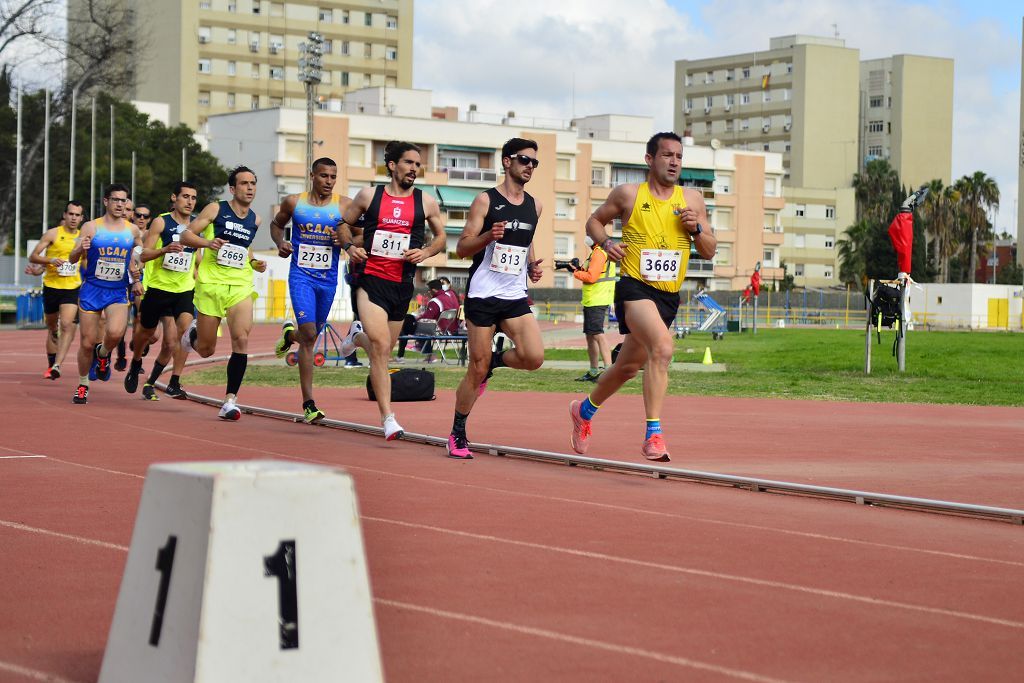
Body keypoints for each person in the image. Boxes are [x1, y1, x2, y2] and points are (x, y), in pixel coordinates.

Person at [569, 132, 717, 462]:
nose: (674, 161)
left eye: (679, 156)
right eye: (667, 155)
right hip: (634, 288)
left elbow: (709, 251)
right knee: (662, 348)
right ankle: (654, 434)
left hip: (668, 296)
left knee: (626, 368)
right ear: (650, 159)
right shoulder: (628, 194)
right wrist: (606, 243)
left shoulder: (692, 200)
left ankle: (583, 411)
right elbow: (594, 221)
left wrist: (696, 230)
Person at [334, 141, 446, 440]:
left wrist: (425, 252)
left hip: (402, 285)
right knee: (382, 347)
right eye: (409, 162)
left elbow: (441, 239)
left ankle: (355, 337)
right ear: (392, 165)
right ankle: (388, 417)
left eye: (417, 164)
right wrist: (348, 247)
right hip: (371, 280)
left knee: (380, 351)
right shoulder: (370, 196)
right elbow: (343, 225)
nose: (414, 169)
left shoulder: (426, 202)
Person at [445, 138, 546, 459]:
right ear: (506, 162)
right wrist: (489, 235)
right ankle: (457, 432)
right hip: (483, 294)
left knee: (534, 357)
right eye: (524, 160)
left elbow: (526, 241)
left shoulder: (536, 205)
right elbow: (461, 248)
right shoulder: (485, 201)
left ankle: (495, 364)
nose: (529, 166)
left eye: (534, 162)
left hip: (514, 294)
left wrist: (531, 264)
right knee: (475, 368)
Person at [179, 166, 267, 420]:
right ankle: (192, 336)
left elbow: (244, 249)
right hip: (211, 285)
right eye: (244, 183)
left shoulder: (255, 219)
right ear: (232, 188)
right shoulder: (216, 209)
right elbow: (186, 235)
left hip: (240, 286)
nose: (249, 188)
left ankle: (230, 400)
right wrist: (208, 243)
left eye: (253, 183)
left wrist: (254, 263)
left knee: (241, 339)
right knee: (206, 349)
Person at [271, 158, 350, 423]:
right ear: (312, 176)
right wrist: (280, 242)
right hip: (301, 275)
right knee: (311, 333)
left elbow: (362, 234)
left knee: (308, 338)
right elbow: (276, 224)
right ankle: (309, 403)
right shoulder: (294, 202)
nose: (328, 181)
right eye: (324, 176)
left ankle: (287, 335)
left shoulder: (344, 206)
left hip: (327, 280)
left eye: (333, 177)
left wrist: (347, 239)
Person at [68, 184, 144, 404]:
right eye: (116, 200)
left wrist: (136, 267)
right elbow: (73, 259)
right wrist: (80, 248)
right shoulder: (91, 227)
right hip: (92, 289)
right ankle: (83, 384)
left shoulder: (131, 230)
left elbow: (139, 251)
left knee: (115, 333)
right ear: (106, 201)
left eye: (124, 200)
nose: (120, 204)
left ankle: (103, 355)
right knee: (86, 343)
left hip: (117, 291)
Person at [123, 183, 200, 400]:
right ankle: (136, 361)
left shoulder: (196, 225)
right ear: (174, 197)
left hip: (184, 290)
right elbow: (143, 254)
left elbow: (198, 258)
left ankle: (160, 382)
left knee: (180, 337)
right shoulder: (161, 221)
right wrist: (165, 250)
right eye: (185, 196)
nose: (190, 201)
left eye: (193, 198)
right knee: (146, 334)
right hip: (157, 289)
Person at [29, 200, 85, 380]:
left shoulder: (83, 238)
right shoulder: (53, 233)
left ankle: (57, 365)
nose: (74, 218)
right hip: (52, 286)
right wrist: (50, 261)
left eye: (77, 215)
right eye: (71, 214)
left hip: (72, 287)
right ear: (65, 215)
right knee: (53, 327)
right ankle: (51, 362)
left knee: (68, 324)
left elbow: (86, 262)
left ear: (82, 218)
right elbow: (34, 256)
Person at [572, 235, 617, 382]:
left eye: (589, 233)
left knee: (597, 333)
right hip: (594, 299)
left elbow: (592, 277)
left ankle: (609, 370)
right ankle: (593, 371)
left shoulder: (598, 253)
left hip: (597, 299)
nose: (586, 237)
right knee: (590, 335)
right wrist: (578, 268)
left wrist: (575, 272)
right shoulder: (598, 251)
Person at [396, 278, 459, 363]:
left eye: (428, 290)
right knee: (410, 321)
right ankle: (427, 353)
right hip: (449, 328)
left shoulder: (435, 300)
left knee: (406, 323)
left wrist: (416, 318)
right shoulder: (449, 297)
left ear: (433, 290)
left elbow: (426, 317)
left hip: (437, 330)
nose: (428, 292)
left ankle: (400, 356)